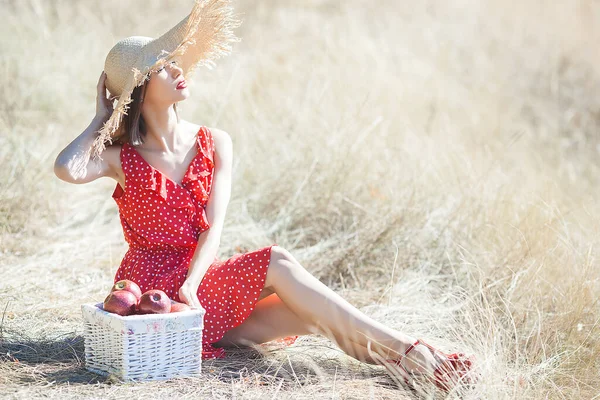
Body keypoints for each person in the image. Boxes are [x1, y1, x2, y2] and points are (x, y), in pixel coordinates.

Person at [53, 0, 474, 393]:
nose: (179, 70)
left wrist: (193, 286)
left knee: (308, 312)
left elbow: (213, 229)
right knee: (279, 264)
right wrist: (101, 117)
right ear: (140, 90)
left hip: (198, 287)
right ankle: (417, 356)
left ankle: (409, 362)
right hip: (147, 300)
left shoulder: (215, 142)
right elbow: (66, 168)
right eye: (164, 68)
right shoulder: (120, 158)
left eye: (175, 61)